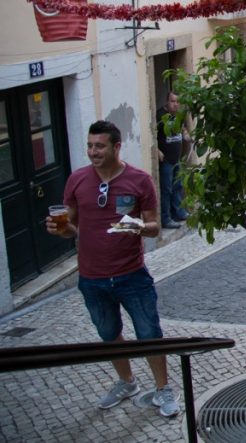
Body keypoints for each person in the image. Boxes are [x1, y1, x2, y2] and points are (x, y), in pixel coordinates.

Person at [45, 120, 180, 417]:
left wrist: (137, 227)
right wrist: (61, 230)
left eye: (100, 146)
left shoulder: (140, 180)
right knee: (109, 334)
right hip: (92, 278)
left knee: (149, 333)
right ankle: (126, 381)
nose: (93, 152)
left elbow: (155, 227)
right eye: (90, 145)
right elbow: (73, 229)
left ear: (116, 147)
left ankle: (163, 389)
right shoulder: (77, 180)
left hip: (132, 276)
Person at [155, 92, 187, 230]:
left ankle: (179, 213)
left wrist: (188, 136)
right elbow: (152, 133)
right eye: (173, 101)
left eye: (178, 102)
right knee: (166, 189)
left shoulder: (179, 115)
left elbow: (183, 129)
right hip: (166, 160)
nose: (176, 104)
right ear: (167, 101)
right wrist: (157, 151)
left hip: (177, 159)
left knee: (178, 186)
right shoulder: (160, 115)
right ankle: (166, 218)